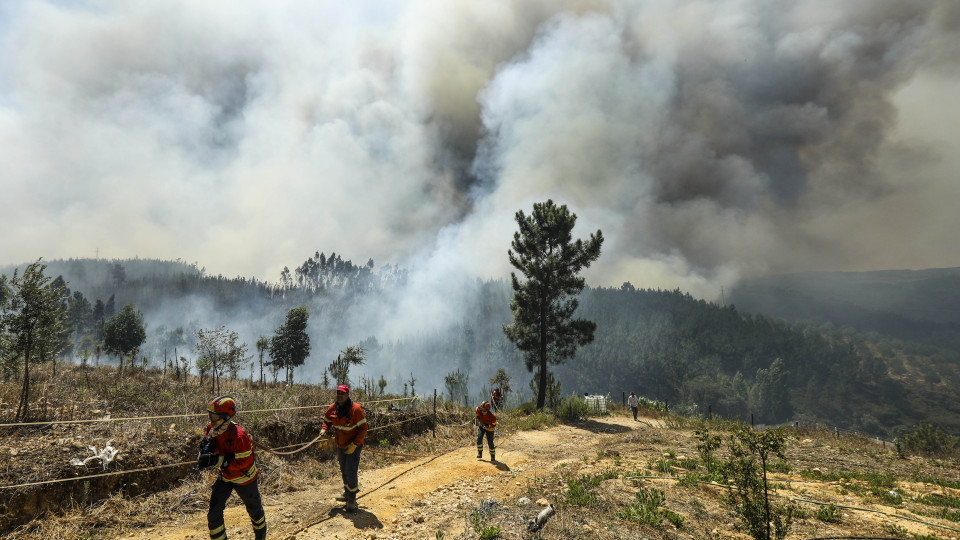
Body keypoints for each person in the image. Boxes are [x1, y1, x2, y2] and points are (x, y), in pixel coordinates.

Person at [196, 396, 267, 540]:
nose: (211, 420)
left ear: (226, 417)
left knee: (255, 511)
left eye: (215, 417)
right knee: (214, 514)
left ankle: (261, 537)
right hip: (226, 476)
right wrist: (206, 452)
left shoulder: (239, 436)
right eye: (210, 416)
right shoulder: (212, 428)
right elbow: (213, 447)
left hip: (245, 478)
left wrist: (218, 460)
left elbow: (244, 464)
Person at [320, 384, 367, 511]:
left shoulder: (356, 409)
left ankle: (352, 497)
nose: (340, 396)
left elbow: (363, 428)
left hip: (353, 445)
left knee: (350, 470)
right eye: (338, 393)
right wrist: (324, 429)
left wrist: (355, 444)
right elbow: (326, 420)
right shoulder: (333, 408)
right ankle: (347, 492)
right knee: (343, 469)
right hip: (341, 444)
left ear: (347, 395)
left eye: (342, 393)